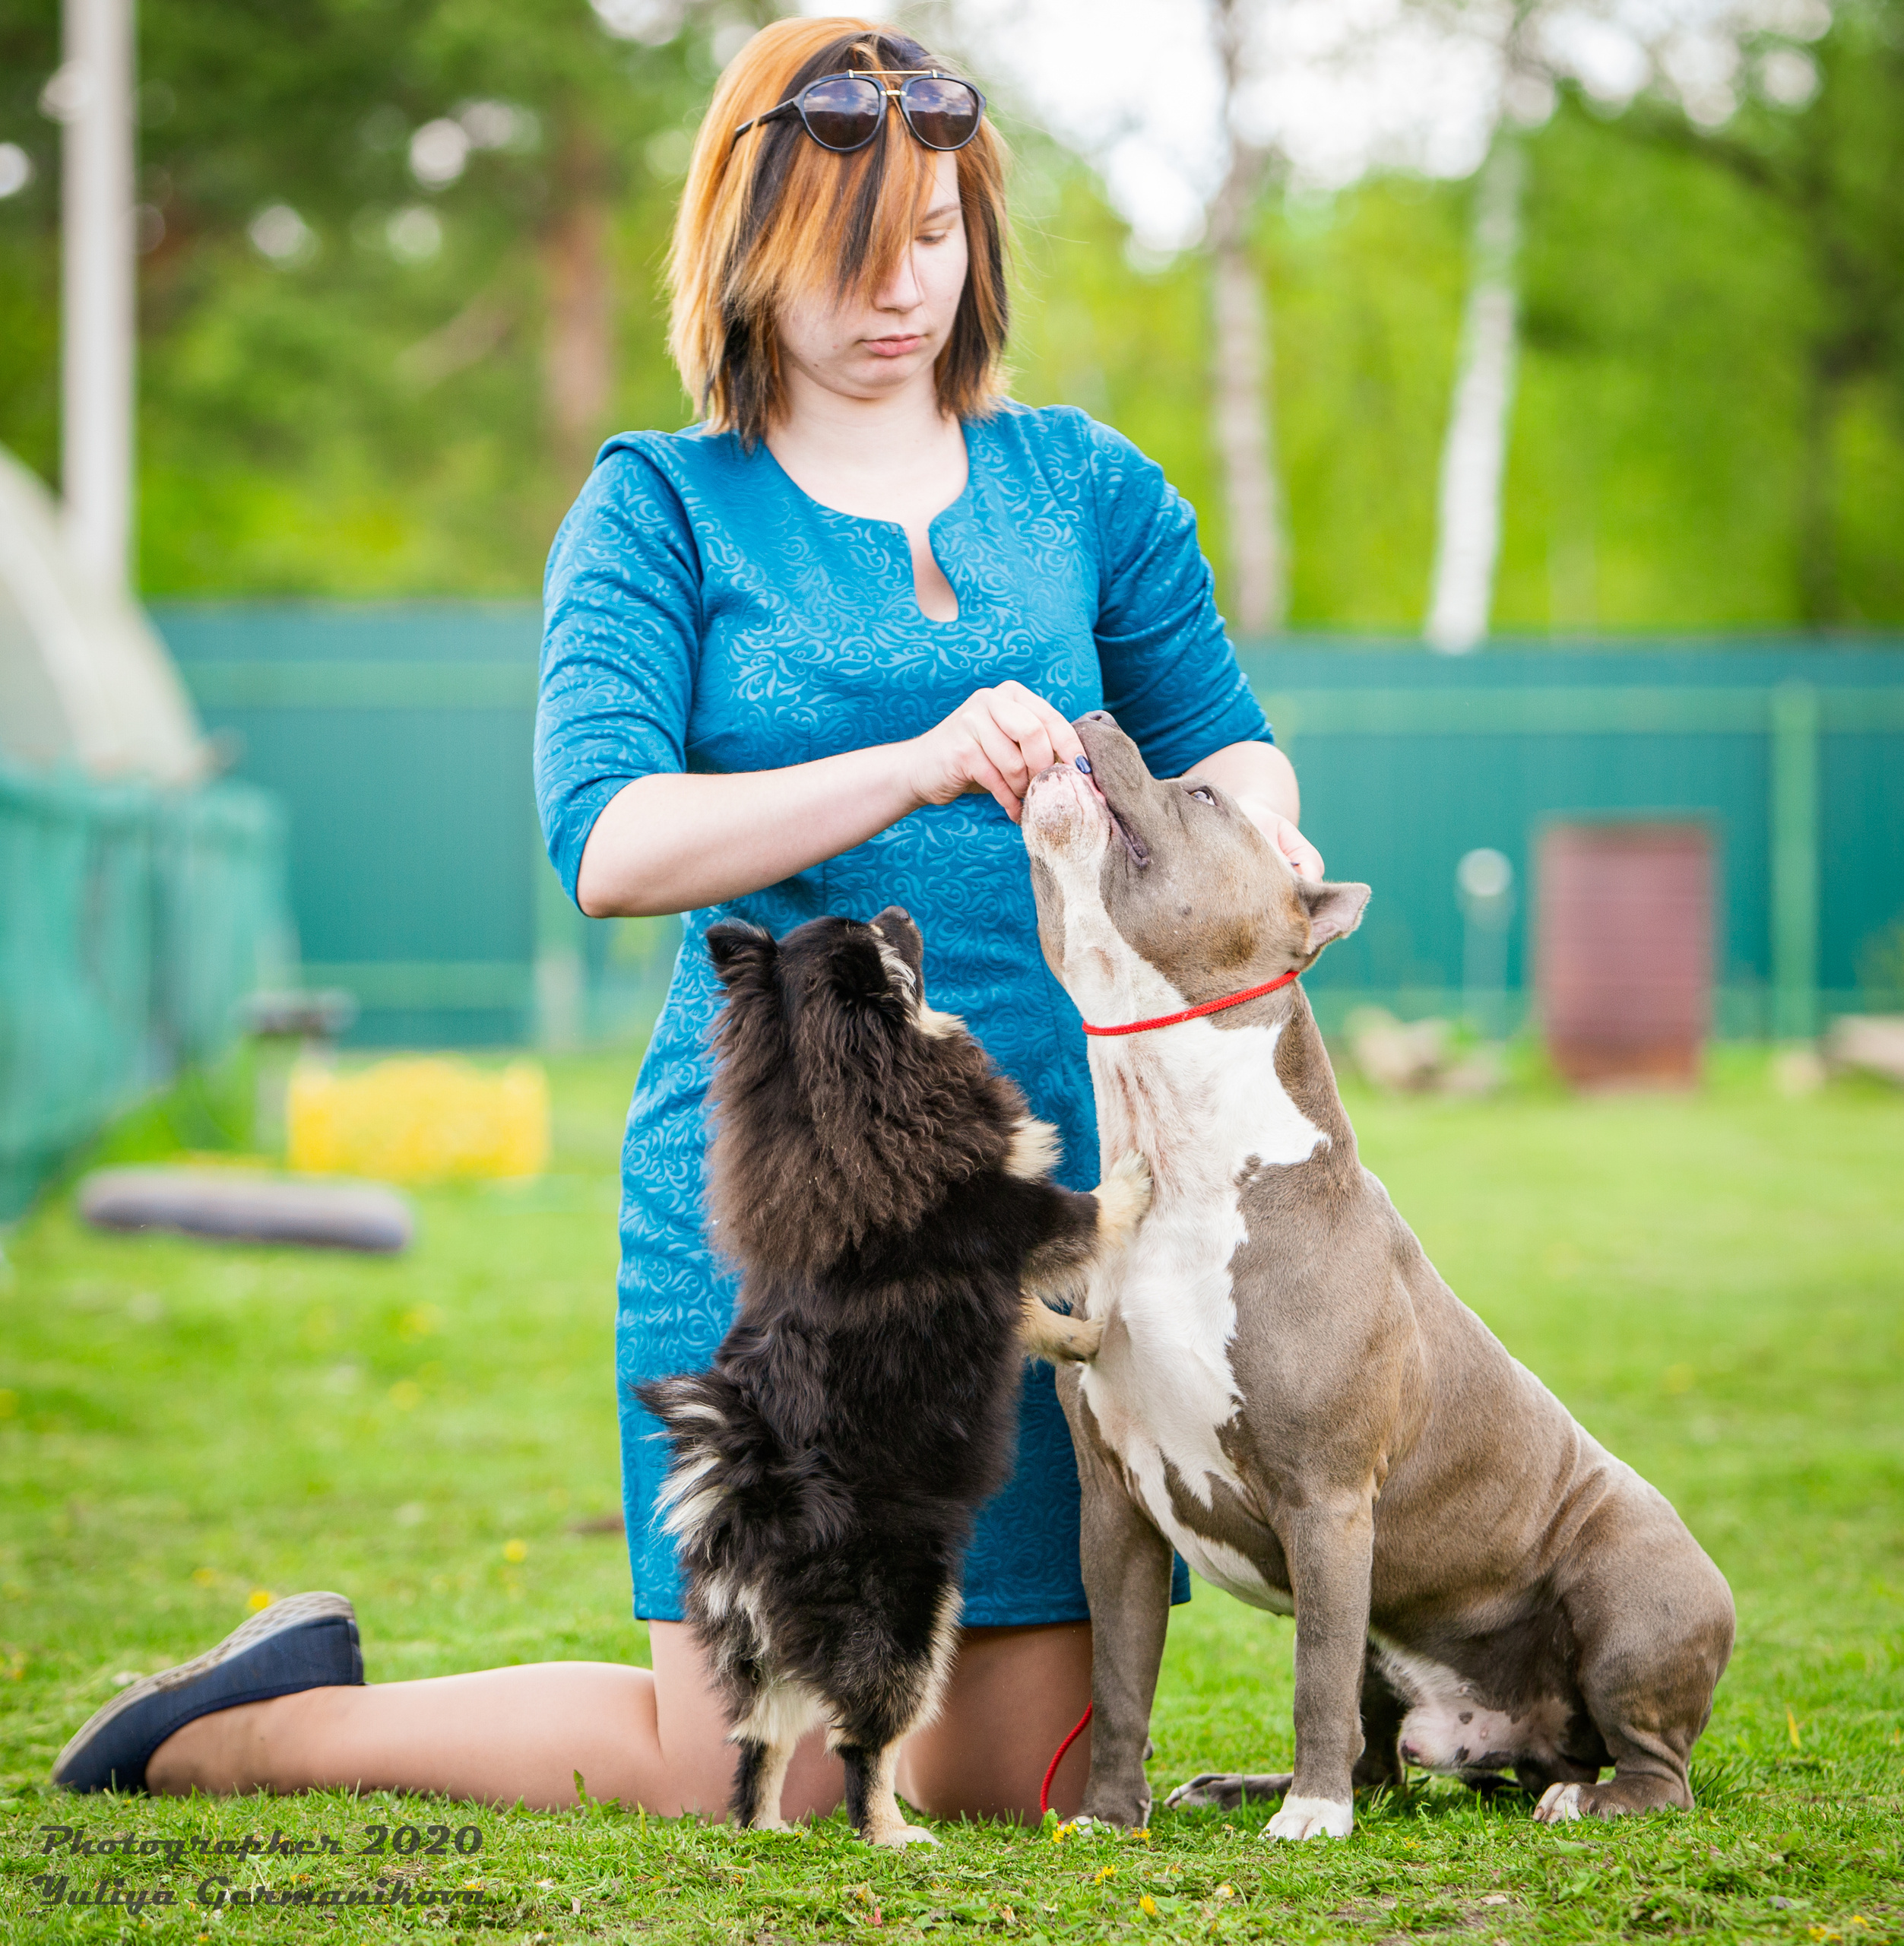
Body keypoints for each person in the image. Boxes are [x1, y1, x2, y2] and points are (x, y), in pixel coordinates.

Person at [53, 14, 1321, 1821]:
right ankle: (245, 1726)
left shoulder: (1086, 487)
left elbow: (1237, 756)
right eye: (851, 258)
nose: (905, 294)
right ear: (746, 248)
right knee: (764, 1775)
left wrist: (1233, 857)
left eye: (940, 239)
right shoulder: (657, 506)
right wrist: (911, 759)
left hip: (1043, 1206)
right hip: (779, 1203)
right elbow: (609, 834)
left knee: (1027, 1772)